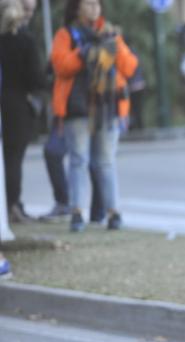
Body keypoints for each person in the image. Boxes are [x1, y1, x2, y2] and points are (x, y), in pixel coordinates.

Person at [50, 0, 137, 233]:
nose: (94, 9)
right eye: (88, 4)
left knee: (106, 162)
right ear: (76, 8)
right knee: (78, 160)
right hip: (77, 108)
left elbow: (129, 67)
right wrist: (83, 52)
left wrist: (113, 45)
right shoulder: (66, 35)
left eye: (96, 4)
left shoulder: (109, 34)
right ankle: (77, 212)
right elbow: (60, 66)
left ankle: (113, 212)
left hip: (107, 108)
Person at [0, 0, 45, 223]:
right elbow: (35, 78)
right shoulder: (25, 40)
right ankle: (11, 205)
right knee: (14, 159)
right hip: (17, 106)